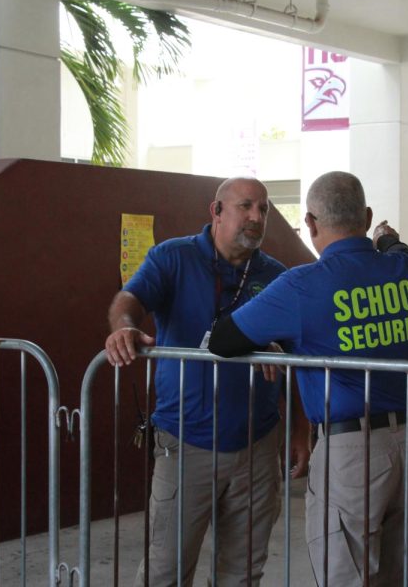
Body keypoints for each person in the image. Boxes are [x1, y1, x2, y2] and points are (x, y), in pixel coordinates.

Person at [208, 171, 408, 586]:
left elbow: (223, 339)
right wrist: (386, 238)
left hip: (352, 452)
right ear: (365, 216)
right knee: (407, 573)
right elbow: (398, 247)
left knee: (344, 574)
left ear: (310, 224)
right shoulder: (406, 270)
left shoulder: (301, 286)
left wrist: (272, 343)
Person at [104, 177, 310, 587]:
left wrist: (301, 430)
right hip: (184, 445)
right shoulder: (172, 258)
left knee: (242, 573)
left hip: (256, 447)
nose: (257, 217)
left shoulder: (275, 275)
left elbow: (296, 358)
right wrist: (123, 328)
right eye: (246, 206)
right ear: (216, 211)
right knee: (166, 569)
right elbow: (129, 300)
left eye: (264, 209)